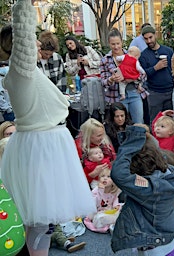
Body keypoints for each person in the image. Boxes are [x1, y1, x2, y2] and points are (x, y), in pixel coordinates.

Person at [0, 1, 96, 255]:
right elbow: (22, 32)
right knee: (40, 223)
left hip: (43, 142)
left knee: (41, 224)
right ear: (17, 46)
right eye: (31, 42)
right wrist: (24, 4)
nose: (37, 44)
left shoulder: (25, 72)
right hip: (41, 145)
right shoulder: (22, 70)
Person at [110, 125, 174, 254]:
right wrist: (143, 138)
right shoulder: (168, 173)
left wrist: (131, 143)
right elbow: (155, 151)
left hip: (154, 248)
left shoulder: (148, 189)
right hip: (168, 243)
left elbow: (118, 174)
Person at [100, 28, 146, 123]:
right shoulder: (105, 60)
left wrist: (132, 78)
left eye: (118, 43)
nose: (116, 47)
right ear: (109, 44)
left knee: (138, 123)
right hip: (117, 96)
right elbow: (103, 82)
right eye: (113, 44)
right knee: (121, 125)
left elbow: (143, 75)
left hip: (134, 92)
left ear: (122, 42)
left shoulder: (131, 55)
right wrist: (111, 79)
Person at [139, 25, 174, 123]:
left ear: (155, 35)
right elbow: (142, 75)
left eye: (150, 37)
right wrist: (155, 68)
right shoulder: (143, 55)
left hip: (170, 91)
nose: (149, 41)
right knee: (155, 122)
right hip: (154, 93)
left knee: (171, 122)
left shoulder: (168, 51)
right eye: (146, 39)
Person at [84, 168, 122, 233]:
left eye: (108, 177)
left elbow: (117, 200)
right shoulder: (96, 190)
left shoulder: (115, 191)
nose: (105, 178)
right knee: (93, 216)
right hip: (96, 210)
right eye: (102, 176)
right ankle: (104, 224)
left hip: (108, 211)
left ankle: (105, 223)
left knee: (120, 213)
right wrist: (100, 191)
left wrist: (117, 206)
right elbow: (95, 204)